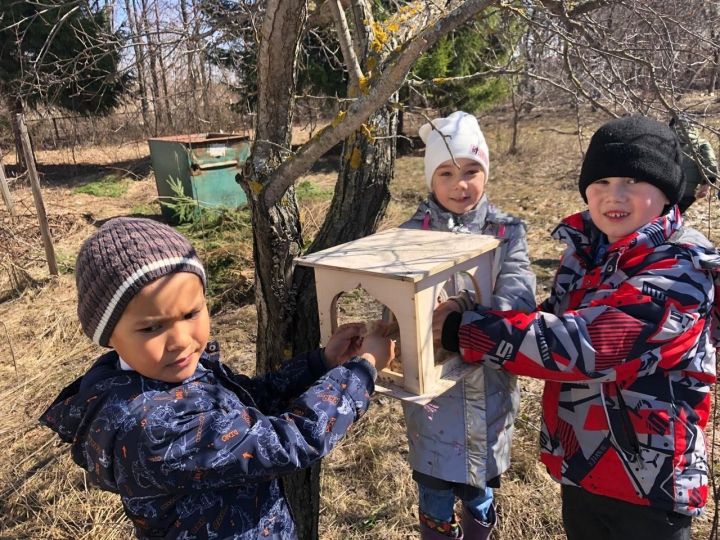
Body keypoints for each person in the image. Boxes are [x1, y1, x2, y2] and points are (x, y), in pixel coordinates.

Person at [434, 115, 720, 540]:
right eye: (600, 183)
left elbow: (587, 346)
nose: (613, 196)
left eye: (632, 181)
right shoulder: (591, 253)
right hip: (584, 468)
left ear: (667, 193)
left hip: (651, 490)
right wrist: (483, 309)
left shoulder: (680, 272)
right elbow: (558, 318)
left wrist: (468, 330)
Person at [39, 217, 394, 540]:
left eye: (191, 313)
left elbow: (251, 402)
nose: (180, 340)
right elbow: (287, 443)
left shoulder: (174, 377)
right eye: (151, 328)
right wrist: (360, 372)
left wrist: (322, 362)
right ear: (108, 337)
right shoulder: (152, 427)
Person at [400, 111, 536, 539]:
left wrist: (465, 308)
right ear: (430, 179)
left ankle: (480, 529)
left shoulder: (506, 232)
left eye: (471, 170)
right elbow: (395, 303)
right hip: (434, 393)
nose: (460, 184)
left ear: (486, 172)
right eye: (446, 172)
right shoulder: (409, 236)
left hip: (489, 382)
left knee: (478, 484)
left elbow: (519, 298)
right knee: (435, 483)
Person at [669, 114, 718, 212]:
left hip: (663, 191)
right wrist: (705, 186)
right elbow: (710, 165)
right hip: (686, 193)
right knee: (678, 218)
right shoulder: (701, 143)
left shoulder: (663, 141)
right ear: (692, 126)